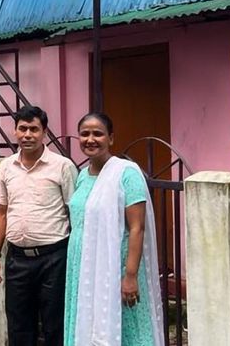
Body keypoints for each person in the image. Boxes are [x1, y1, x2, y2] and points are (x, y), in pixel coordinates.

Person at [64, 113, 164, 346]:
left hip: (115, 267)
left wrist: (129, 276)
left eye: (98, 133)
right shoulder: (82, 176)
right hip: (83, 268)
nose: (90, 139)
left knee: (126, 329)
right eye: (85, 133)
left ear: (111, 138)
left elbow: (137, 228)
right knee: (86, 324)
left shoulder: (126, 173)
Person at [0, 105, 78, 346]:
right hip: (17, 258)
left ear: (44, 132)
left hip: (54, 258)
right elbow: (0, 212)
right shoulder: (6, 167)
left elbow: (76, 212)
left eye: (34, 129)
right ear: (15, 132)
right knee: (18, 325)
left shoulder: (62, 166)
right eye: (22, 129)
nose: (28, 134)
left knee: (54, 324)